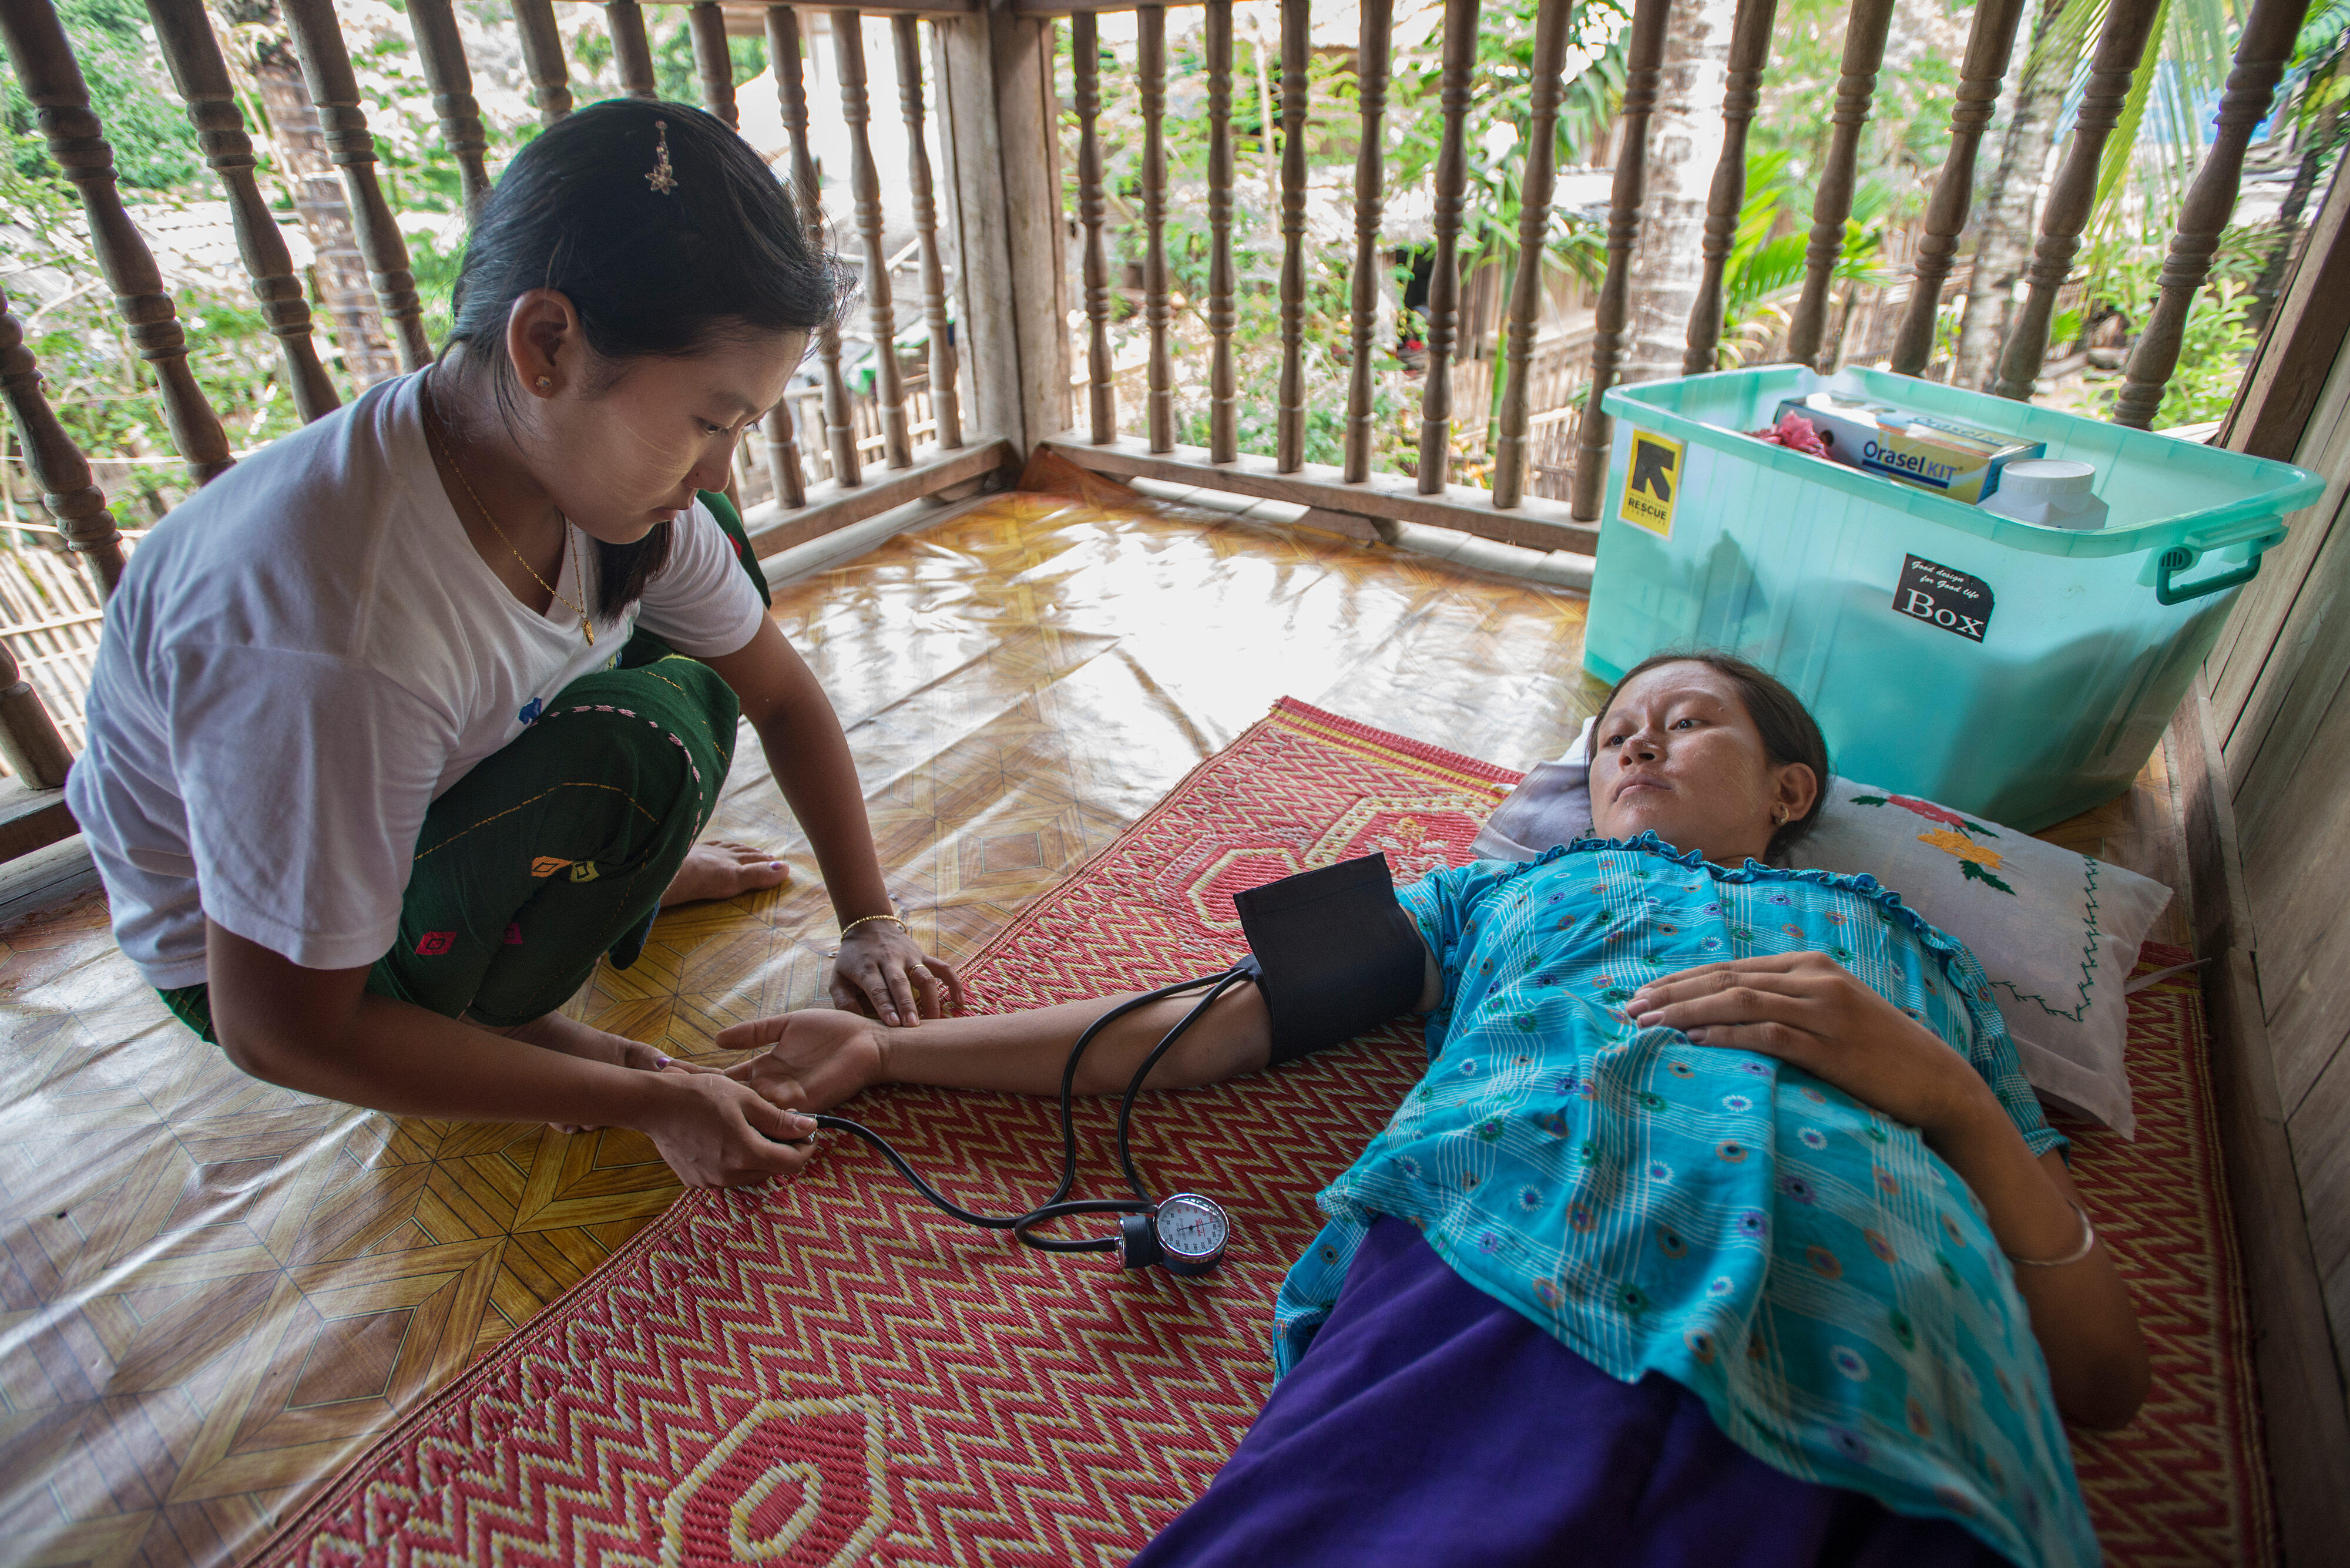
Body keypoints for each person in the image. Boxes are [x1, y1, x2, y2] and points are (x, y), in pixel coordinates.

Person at [714, 651, 2149, 1568]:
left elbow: (2101, 1385)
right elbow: (1216, 1020)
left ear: (1790, 789)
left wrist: (1952, 1100)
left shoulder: (1909, 953)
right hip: (1505, 1264)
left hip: (1885, 1359)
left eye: (1684, 723)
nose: (1635, 747)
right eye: (1612, 737)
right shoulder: (1503, 890)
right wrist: (897, 1057)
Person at [70, 100, 958, 1191]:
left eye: (744, 427)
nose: (722, 465)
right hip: (256, 962)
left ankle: (564, 885)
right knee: (642, 743)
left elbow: (780, 696)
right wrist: (644, 1086)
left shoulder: (565, 481)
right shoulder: (336, 633)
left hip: (407, 790)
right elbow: (281, 1030)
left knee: (702, 569)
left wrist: (871, 920)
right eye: (710, 420)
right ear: (547, 345)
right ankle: (510, 1012)